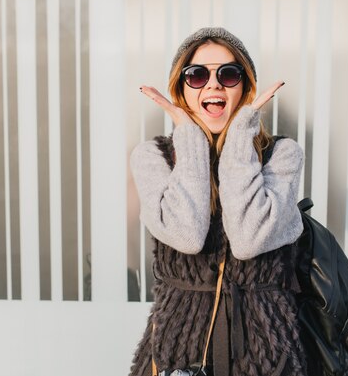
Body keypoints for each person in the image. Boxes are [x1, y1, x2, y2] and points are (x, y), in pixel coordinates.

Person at [129, 27, 306, 376]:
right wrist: (190, 139)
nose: (213, 85)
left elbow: (247, 240)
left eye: (228, 74)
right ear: (181, 89)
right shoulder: (152, 157)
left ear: (245, 87)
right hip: (177, 355)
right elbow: (187, 235)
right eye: (196, 75)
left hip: (267, 357)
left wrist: (242, 135)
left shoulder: (282, 156)